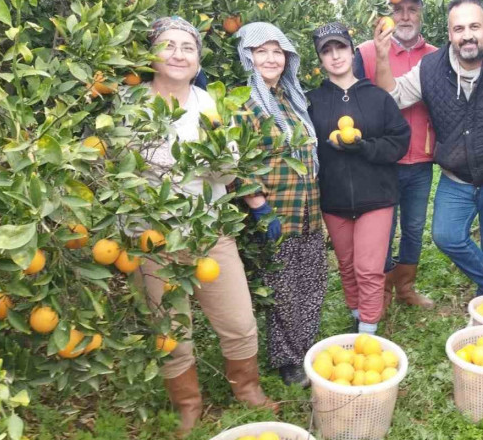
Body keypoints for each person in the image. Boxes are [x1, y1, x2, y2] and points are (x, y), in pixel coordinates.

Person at [133, 17, 278, 437]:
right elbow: (109, 174)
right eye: (168, 45)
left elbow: (232, 167)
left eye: (187, 47)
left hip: (210, 232)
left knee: (238, 318)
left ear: (198, 61)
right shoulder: (129, 106)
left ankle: (247, 387)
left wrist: (256, 200)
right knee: (170, 330)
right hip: (151, 236)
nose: (178, 54)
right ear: (151, 54)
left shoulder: (211, 105)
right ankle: (187, 403)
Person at [372, 0, 483, 297]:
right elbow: (391, 97)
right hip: (456, 176)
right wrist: (382, 56)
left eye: (474, 27)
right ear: (449, 34)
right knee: (445, 235)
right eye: (459, 28)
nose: (467, 35)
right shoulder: (431, 67)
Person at [232, 22, 328, 387]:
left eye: (277, 52)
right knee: (284, 288)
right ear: (248, 57)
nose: (271, 59)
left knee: (312, 281)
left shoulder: (291, 99)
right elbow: (236, 158)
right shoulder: (244, 103)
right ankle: (288, 361)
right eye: (262, 52)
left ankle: (305, 347)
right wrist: (258, 205)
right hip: (276, 212)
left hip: (307, 211)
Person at [307, 22, 410, 334]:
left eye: (340, 47)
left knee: (368, 268)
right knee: (348, 266)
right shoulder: (311, 101)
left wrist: (363, 146)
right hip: (334, 198)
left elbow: (399, 141)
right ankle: (356, 312)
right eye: (327, 51)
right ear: (320, 59)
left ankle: (368, 330)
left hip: (376, 196)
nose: (335, 55)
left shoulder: (377, 97)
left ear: (352, 51)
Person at [353, 0, 437, 311]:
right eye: (398, 9)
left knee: (414, 227)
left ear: (421, 13)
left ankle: (406, 288)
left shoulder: (436, 56)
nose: (405, 16)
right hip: (382, 161)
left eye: (412, 9)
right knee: (384, 228)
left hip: (420, 159)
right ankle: (382, 294)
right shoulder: (365, 52)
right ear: (388, 14)